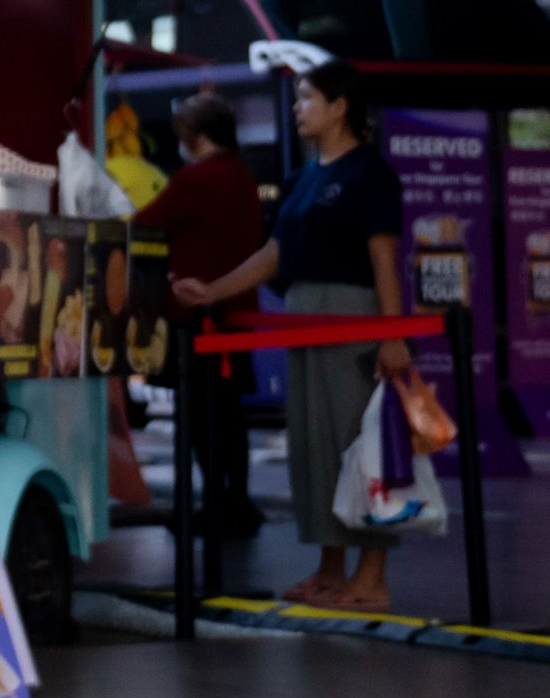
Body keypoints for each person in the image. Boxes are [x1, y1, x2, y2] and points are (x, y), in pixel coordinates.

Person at [175, 61, 409, 611]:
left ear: (339, 107)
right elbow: (273, 254)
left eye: (307, 98)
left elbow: (383, 261)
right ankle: (330, 570)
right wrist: (212, 291)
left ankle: (371, 575)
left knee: (360, 442)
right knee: (312, 446)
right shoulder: (304, 178)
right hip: (303, 316)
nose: (298, 108)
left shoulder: (371, 174)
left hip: (353, 317)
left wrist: (392, 335)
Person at [137, 92, 267, 535]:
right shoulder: (243, 177)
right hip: (238, 315)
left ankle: (212, 506)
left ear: (195, 136)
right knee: (230, 418)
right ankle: (236, 500)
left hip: (197, 318)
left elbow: (144, 222)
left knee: (200, 420)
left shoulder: (196, 180)